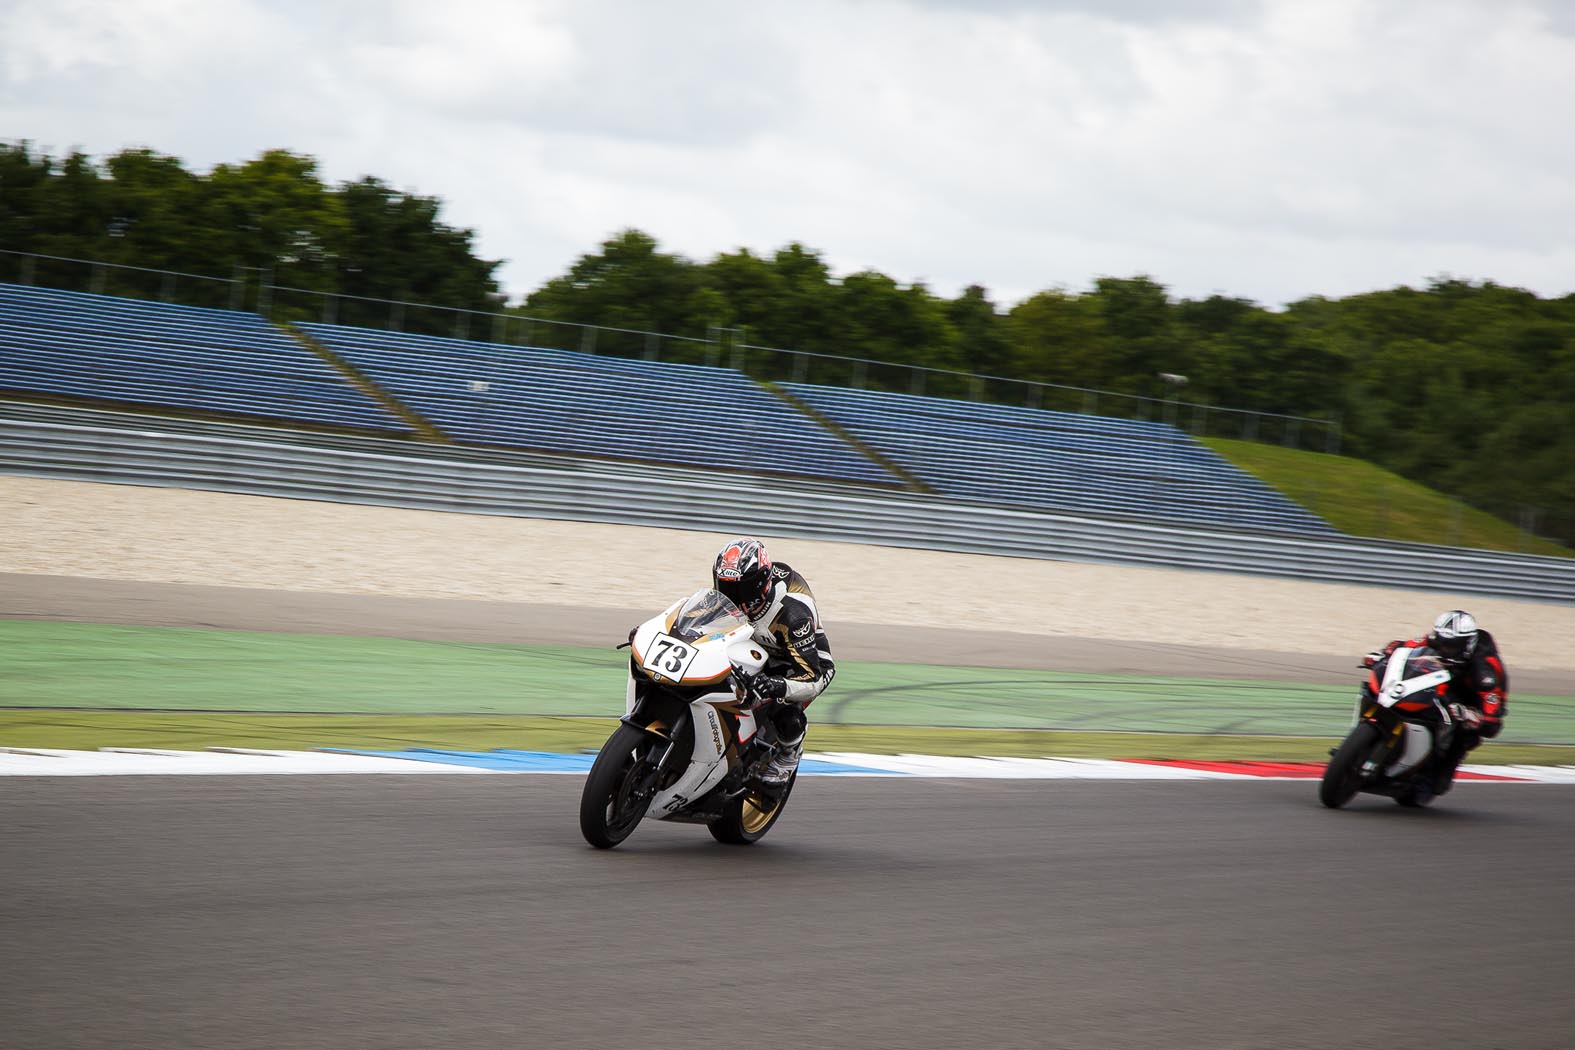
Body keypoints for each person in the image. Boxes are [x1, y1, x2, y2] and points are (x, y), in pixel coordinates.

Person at [710, 537, 835, 788]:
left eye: (738, 589)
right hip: (757, 646)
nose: (730, 594)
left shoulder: (792, 615)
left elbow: (812, 677)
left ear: (759, 585)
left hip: (803, 663)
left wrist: (777, 684)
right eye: (724, 586)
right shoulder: (736, 592)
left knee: (782, 710)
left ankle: (789, 753)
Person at [1362, 609, 1508, 798]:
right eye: (1441, 643)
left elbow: (1493, 718)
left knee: (1462, 735)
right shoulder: (1439, 639)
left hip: (1475, 697)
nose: (1444, 649)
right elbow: (1407, 646)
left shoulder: (1485, 671)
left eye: (1451, 646)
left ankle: (1433, 776)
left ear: (1467, 644)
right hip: (1446, 678)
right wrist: (1384, 654)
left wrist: (1481, 718)